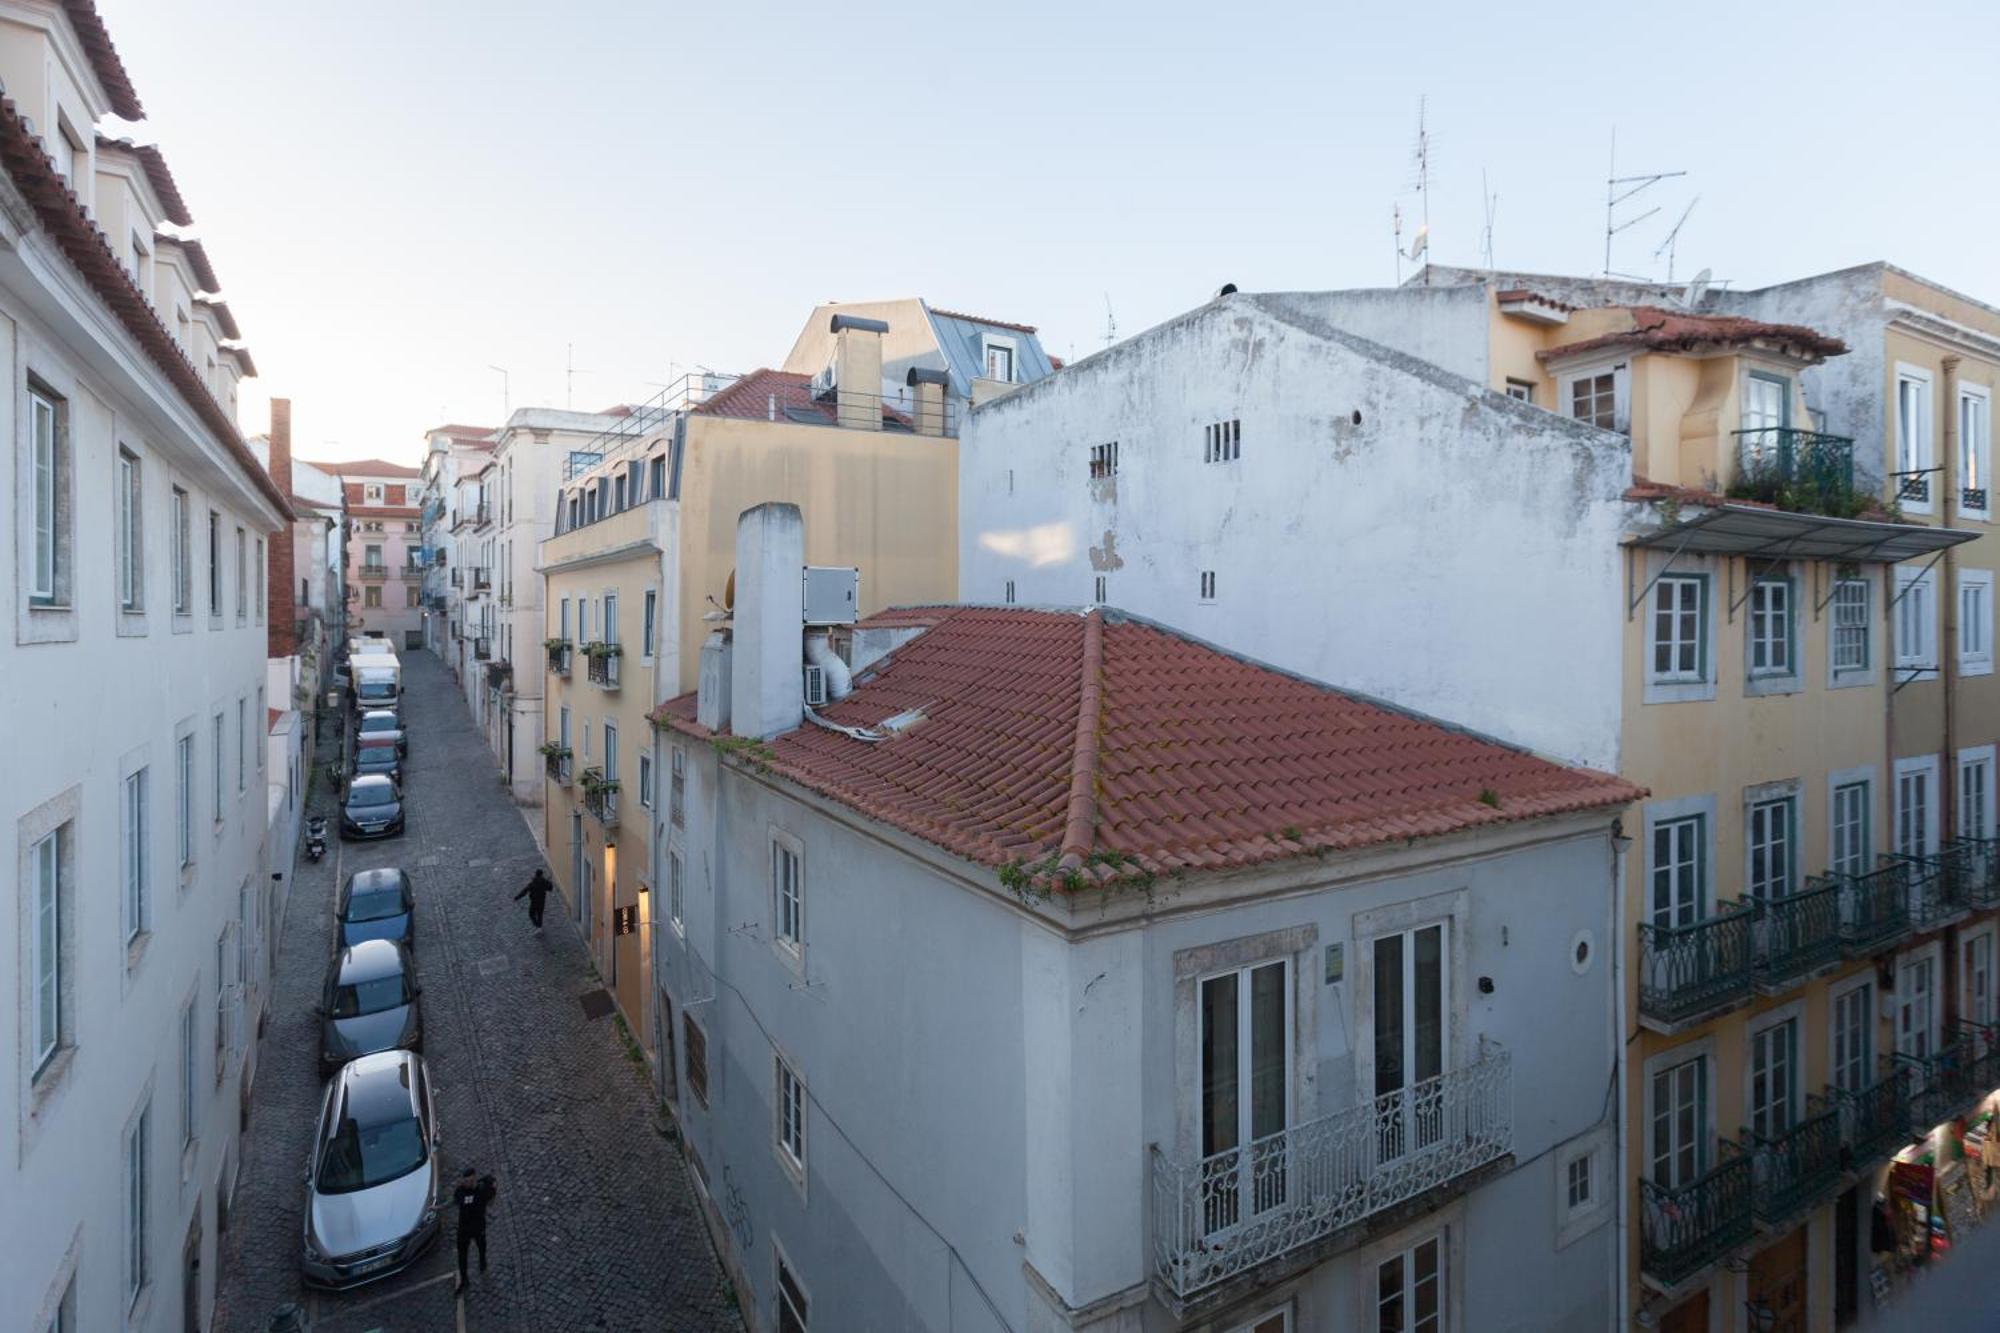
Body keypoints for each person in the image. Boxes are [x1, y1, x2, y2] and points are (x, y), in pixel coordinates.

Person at [453, 1167, 497, 1292]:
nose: (469, 1184)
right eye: (467, 1181)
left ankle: (482, 1261)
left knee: (481, 1245)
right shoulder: (460, 1191)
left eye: (471, 1181)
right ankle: (464, 1279)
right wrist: (438, 1208)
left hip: (478, 1227)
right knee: (462, 1255)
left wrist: (493, 1190)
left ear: (475, 1179)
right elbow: (453, 1201)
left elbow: (492, 1198)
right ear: (462, 1180)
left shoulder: (482, 1190)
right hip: (464, 1229)